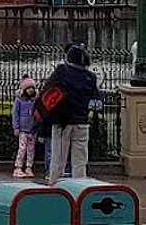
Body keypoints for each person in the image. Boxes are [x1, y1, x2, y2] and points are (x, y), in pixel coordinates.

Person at [42, 44, 99, 182]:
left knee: (58, 160)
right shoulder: (91, 77)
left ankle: (54, 186)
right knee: (80, 161)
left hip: (62, 122)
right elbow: (96, 102)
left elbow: (47, 89)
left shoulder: (62, 71)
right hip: (82, 122)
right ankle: (80, 189)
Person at [11, 76, 38, 178]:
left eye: (32, 88)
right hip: (23, 129)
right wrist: (16, 127)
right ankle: (18, 167)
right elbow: (15, 114)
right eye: (28, 88)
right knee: (22, 148)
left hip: (32, 129)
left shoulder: (35, 100)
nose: (31, 90)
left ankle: (29, 167)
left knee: (31, 149)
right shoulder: (19, 100)